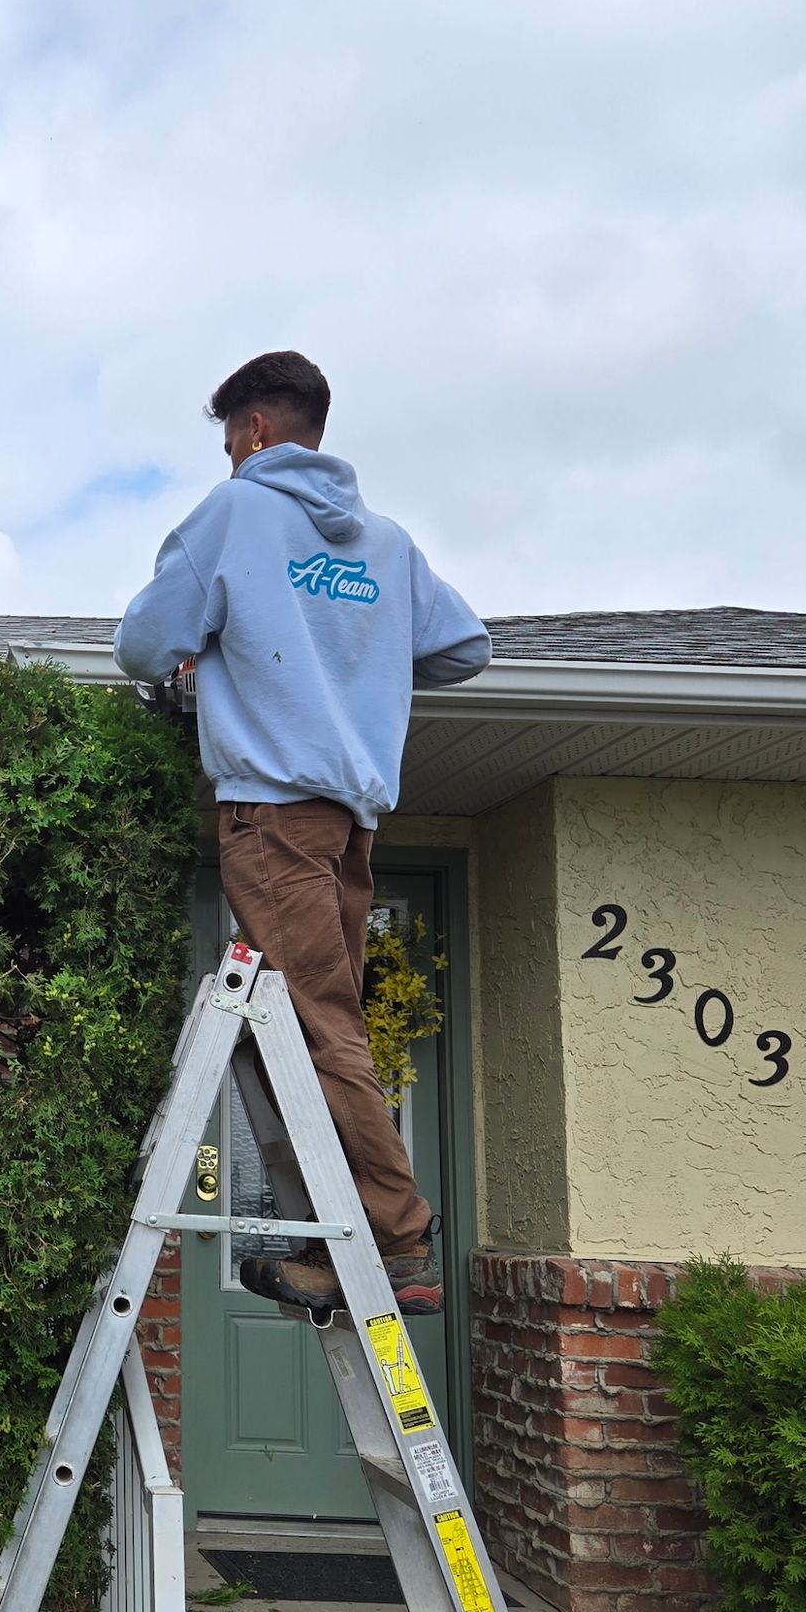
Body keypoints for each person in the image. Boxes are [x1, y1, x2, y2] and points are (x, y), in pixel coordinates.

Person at [114, 350, 491, 1315]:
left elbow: (143, 643)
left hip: (273, 814)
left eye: (229, 441)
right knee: (313, 1025)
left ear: (255, 432)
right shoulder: (388, 543)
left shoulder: (238, 513)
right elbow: (462, 646)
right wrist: (353, 660)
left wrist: (228, 656)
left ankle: (398, 1243)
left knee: (320, 1030)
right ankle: (339, 1237)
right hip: (349, 822)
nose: (229, 458)